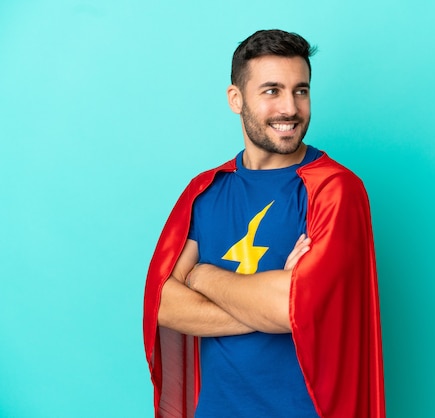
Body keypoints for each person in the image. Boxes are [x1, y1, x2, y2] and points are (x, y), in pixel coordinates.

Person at [143, 29, 385, 418]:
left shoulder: (335, 189)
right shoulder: (206, 190)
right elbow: (163, 305)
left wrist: (203, 277)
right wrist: (268, 305)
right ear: (236, 99)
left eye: (301, 90)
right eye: (272, 90)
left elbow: (287, 309)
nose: (290, 107)